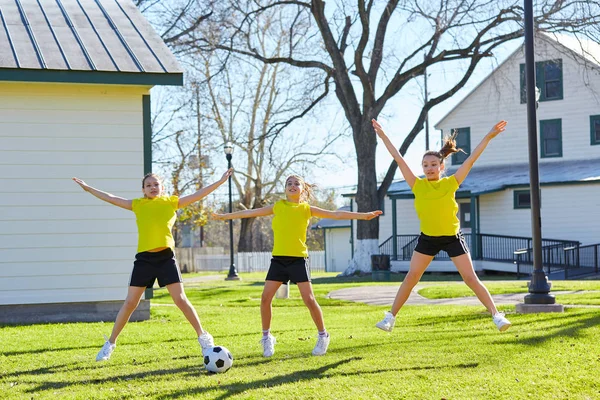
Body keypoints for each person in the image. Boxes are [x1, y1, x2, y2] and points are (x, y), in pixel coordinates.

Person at [212, 175, 382, 357]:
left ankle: (323, 335)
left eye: (296, 184)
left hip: (298, 260)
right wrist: (224, 217)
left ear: (303, 189)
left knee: (309, 299)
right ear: (285, 189)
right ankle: (267, 338)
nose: (292, 186)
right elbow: (249, 213)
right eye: (289, 184)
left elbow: (336, 214)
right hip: (278, 260)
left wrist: (364, 216)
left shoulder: (307, 209)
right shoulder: (278, 206)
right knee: (265, 298)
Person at [72, 169, 233, 361]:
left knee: (181, 299)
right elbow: (112, 198)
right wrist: (89, 189)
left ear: (162, 187)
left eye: (156, 184)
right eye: (148, 185)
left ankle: (204, 337)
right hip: (144, 260)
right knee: (131, 303)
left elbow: (198, 194)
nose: (152, 187)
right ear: (143, 190)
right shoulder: (138, 205)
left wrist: (220, 182)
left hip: (165, 258)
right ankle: (110, 343)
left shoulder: (172, 202)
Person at [371, 118, 512, 333]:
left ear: (441, 166)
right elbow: (398, 158)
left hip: (452, 237)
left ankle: (497, 316)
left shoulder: (451, 183)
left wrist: (489, 136)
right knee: (411, 277)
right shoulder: (417, 185)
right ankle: (390, 317)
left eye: (433, 165)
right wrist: (382, 136)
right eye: (425, 165)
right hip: (428, 238)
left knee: (470, 278)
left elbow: (471, 159)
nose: (429, 168)